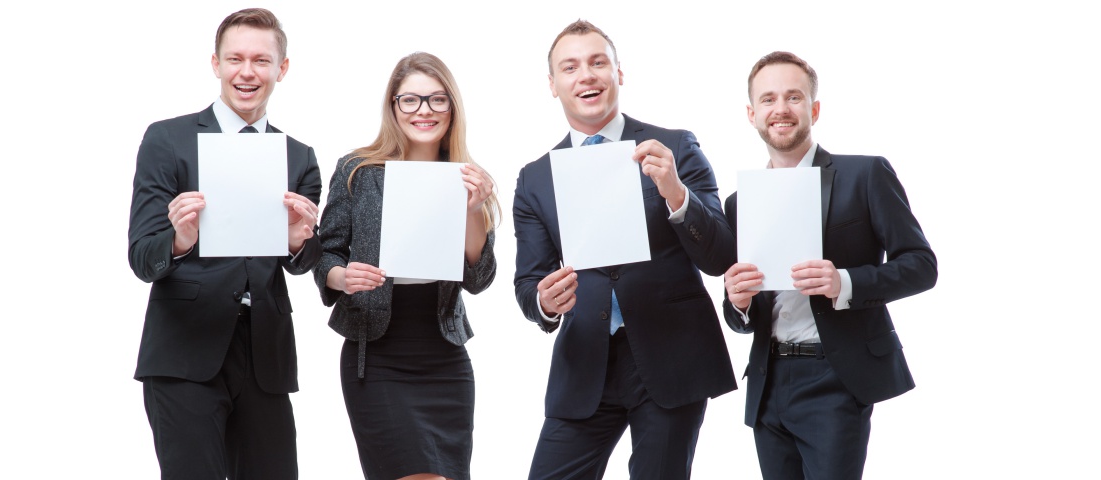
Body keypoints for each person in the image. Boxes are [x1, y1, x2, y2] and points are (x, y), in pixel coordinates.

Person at [512, 19, 737, 479]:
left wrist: (676, 192)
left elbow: (719, 258)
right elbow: (528, 282)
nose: (587, 75)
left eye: (598, 62)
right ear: (553, 85)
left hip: (671, 355)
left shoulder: (675, 147)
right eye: (570, 67)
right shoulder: (535, 178)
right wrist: (544, 301)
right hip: (584, 364)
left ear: (619, 72)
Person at [721, 51, 938, 480]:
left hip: (836, 377)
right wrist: (738, 302)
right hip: (768, 381)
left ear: (814, 108)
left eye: (793, 97)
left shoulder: (865, 175)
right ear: (751, 114)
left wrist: (844, 282)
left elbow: (921, 265)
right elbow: (740, 318)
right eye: (767, 99)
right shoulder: (739, 203)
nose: (780, 109)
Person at [126, 8, 321, 479]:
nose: (247, 72)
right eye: (235, 59)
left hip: (265, 358)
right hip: (185, 352)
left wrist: (298, 243)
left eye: (260, 60)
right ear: (215, 64)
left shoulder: (299, 157)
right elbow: (141, 256)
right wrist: (179, 240)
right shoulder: (167, 140)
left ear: (282, 68)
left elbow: (302, 263)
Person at [312, 52, 499, 480]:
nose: (424, 111)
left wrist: (473, 209)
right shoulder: (358, 170)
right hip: (377, 358)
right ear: (393, 106)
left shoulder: (470, 178)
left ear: (452, 107)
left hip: (444, 357)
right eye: (410, 100)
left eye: (437, 100)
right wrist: (342, 277)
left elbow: (480, 277)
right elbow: (327, 254)